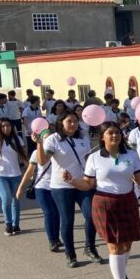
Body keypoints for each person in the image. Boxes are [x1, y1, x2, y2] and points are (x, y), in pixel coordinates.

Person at [68, 121, 140, 279]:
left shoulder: (131, 155)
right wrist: (72, 181)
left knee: (127, 243)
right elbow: (88, 184)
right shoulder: (94, 158)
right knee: (114, 246)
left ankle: (121, 271)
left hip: (127, 201)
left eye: (117, 132)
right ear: (102, 137)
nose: (114, 136)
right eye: (110, 133)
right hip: (105, 203)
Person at [37, 110, 101, 268]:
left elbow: (88, 160)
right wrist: (39, 143)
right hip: (61, 186)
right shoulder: (53, 139)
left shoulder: (83, 138)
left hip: (83, 183)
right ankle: (70, 254)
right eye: (69, 121)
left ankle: (90, 248)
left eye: (75, 121)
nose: (73, 124)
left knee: (91, 216)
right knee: (67, 220)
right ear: (61, 123)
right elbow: (42, 160)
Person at [0, 118, 27, 236]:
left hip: (15, 174)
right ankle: (8, 224)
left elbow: (24, 156)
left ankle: (16, 225)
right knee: (6, 198)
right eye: (3, 126)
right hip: (0, 174)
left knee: (16, 200)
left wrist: (31, 171)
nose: (6, 128)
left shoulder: (17, 139)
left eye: (8, 125)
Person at [17, 142, 60, 252]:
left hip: (57, 187)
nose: (47, 140)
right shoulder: (36, 153)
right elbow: (30, 171)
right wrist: (20, 187)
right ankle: (52, 240)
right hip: (42, 187)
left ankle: (56, 237)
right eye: (45, 138)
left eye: (49, 138)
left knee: (56, 213)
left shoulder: (59, 151)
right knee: (49, 212)